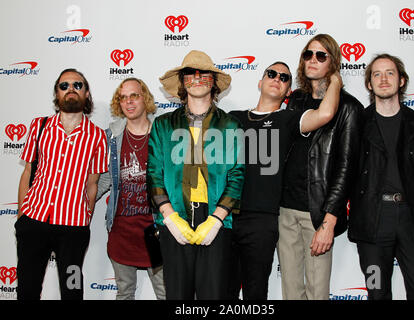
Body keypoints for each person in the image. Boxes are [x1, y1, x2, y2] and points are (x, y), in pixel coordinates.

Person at [229, 60, 342, 300]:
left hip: (263, 220)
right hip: (225, 217)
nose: (277, 79)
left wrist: (334, 79)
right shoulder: (232, 118)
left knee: (255, 293)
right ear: (260, 82)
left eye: (284, 78)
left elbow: (326, 113)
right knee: (221, 290)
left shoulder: (288, 119)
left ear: (288, 91)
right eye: (271, 74)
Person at [147, 50, 245, 299]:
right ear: (182, 82)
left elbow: (236, 176)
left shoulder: (231, 126)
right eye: (190, 73)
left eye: (204, 73)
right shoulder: (163, 124)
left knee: (214, 295)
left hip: (216, 218)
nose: (198, 77)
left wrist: (217, 219)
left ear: (213, 81)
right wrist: (169, 217)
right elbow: (154, 174)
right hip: (174, 216)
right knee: (177, 296)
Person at [278, 34, 363, 300]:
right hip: (284, 209)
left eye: (321, 55)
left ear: (333, 62)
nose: (313, 60)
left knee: (317, 293)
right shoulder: (295, 101)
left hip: (317, 213)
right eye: (308, 54)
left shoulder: (349, 107)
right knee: (291, 292)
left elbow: (347, 168)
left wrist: (329, 220)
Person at [348, 53, 414, 300]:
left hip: (413, 219)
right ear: (369, 83)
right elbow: (348, 174)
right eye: (376, 74)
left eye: (390, 73)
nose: (383, 79)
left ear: (401, 81)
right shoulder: (357, 126)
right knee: (377, 292)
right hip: (372, 223)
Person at [16, 68, 108, 300]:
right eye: (64, 86)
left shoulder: (97, 136)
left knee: (72, 290)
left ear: (87, 94)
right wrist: (21, 217)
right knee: (27, 289)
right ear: (57, 93)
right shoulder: (39, 126)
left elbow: (93, 184)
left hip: (73, 230)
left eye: (78, 85)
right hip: (34, 222)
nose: (71, 90)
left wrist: (84, 218)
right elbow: (28, 172)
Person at [96, 78, 165, 300]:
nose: (129, 102)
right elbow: (105, 180)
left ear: (145, 98)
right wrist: (77, 202)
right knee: (124, 292)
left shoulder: (161, 135)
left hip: (153, 232)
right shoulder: (112, 138)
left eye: (134, 95)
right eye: (123, 97)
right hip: (121, 232)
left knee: (166, 292)